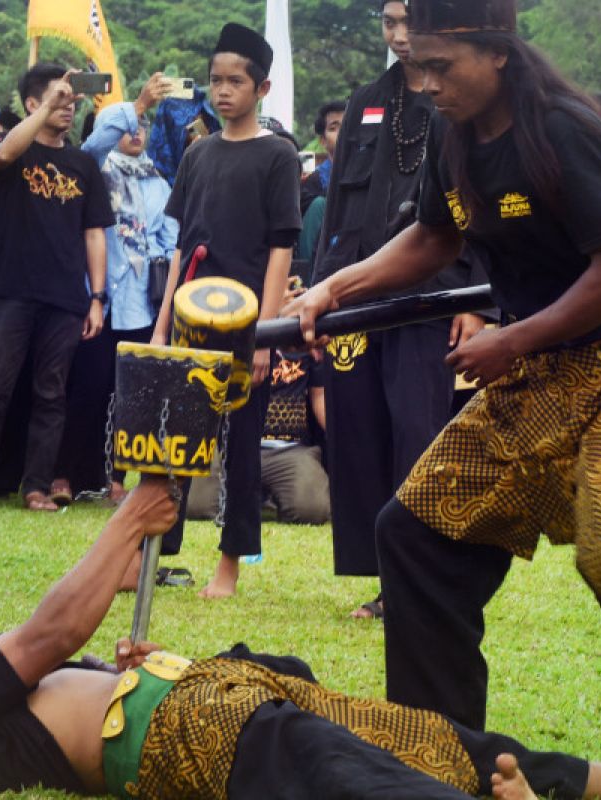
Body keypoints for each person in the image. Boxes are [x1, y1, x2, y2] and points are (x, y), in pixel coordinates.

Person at [287, 0, 601, 793]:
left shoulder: (561, 129)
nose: (423, 82)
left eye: (439, 66)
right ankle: (441, 759)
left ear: (496, 53)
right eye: (415, 64)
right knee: (413, 533)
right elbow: (435, 236)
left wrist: (511, 338)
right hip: (538, 372)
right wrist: (333, 284)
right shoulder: (452, 134)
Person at [0, 478, 601, 800]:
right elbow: (49, 631)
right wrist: (127, 522)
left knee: (403, 736)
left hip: (182, 696)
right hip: (171, 734)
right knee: (331, 763)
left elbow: (58, 655)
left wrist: (126, 631)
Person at [312, 0, 487, 619]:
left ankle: (420, 579)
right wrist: (320, 293)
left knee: (417, 435)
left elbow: (477, 205)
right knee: (359, 437)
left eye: (409, 20)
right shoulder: (365, 101)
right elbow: (337, 209)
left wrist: (480, 299)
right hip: (359, 301)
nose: (400, 34)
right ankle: (387, 579)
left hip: (432, 296)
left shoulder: (458, 99)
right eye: (388, 22)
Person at [149, 23, 302, 599]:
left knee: (240, 447)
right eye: (215, 80)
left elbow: (282, 249)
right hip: (189, 315)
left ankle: (230, 565)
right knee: (171, 441)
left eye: (235, 81)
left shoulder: (278, 156)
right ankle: (151, 555)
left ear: (261, 88)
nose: (222, 91)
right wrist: (163, 324)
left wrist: (265, 336)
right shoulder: (198, 154)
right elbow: (184, 247)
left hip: (246, 324)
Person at [0, 65, 112, 512]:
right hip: (11, 290)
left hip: (65, 298)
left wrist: (97, 296)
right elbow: (0, 157)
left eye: (72, 103)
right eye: (59, 100)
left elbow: (94, 233)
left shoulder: (83, 164)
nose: (68, 109)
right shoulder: (12, 147)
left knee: (51, 393)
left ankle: (36, 486)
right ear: (32, 104)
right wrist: (48, 105)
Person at [52, 73, 178, 507]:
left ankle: (119, 480)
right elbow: (93, 143)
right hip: (97, 301)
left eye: (141, 127)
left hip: (142, 305)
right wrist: (137, 105)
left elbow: (169, 237)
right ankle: (65, 473)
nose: (135, 132)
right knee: (87, 389)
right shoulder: (93, 167)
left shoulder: (158, 182)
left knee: (135, 398)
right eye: (126, 126)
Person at [188, 345, 331, 525]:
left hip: (288, 450)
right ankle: (245, 495)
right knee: (196, 506)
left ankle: (264, 497)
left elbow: (319, 397)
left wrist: (343, 436)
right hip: (229, 446)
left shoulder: (303, 335)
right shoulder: (231, 329)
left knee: (312, 510)